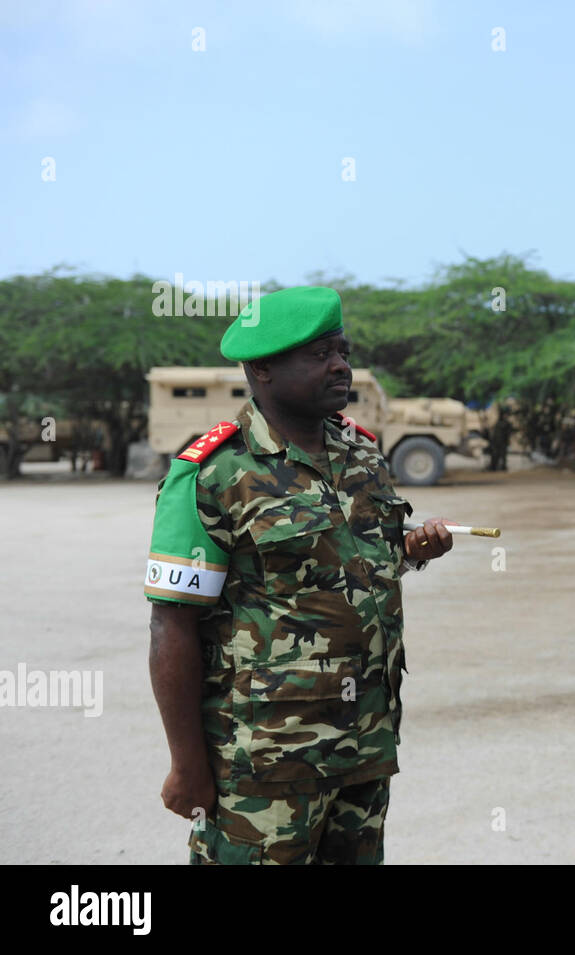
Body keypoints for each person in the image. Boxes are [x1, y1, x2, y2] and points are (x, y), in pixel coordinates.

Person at [145, 286, 455, 865]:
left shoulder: (362, 456)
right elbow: (172, 625)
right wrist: (186, 764)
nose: (342, 366)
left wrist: (411, 552)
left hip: (364, 741)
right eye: (319, 355)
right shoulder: (212, 475)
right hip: (265, 760)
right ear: (262, 368)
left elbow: (354, 570)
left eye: (343, 350)